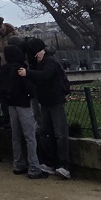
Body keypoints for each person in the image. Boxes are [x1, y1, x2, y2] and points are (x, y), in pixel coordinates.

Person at [22, 37, 71, 179]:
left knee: (60, 134)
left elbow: (46, 75)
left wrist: (28, 73)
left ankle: (64, 165)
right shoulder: (38, 63)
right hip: (46, 102)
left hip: (55, 101)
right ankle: (51, 163)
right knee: (46, 132)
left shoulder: (49, 61)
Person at [1, 45, 47, 179]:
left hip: (11, 104)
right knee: (30, 137)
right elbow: (29, 87)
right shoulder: (21, 68)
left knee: (16, 136)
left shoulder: (4, 69)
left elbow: (0, 87)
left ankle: (18, 164)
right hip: (23, 103)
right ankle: (34, 168)